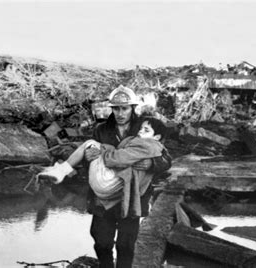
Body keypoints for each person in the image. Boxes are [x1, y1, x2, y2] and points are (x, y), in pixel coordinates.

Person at [38, 85, 172, 268]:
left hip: (132, 195)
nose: (120, 113)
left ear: (132, 108)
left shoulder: (144, 127)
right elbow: (94, 162)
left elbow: (165, 158)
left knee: (126, 244)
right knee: (102, 242)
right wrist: (87, 157)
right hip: (104, 193)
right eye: (116, 108)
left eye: (124, 108)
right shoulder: (101, 130)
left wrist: (151, 164)